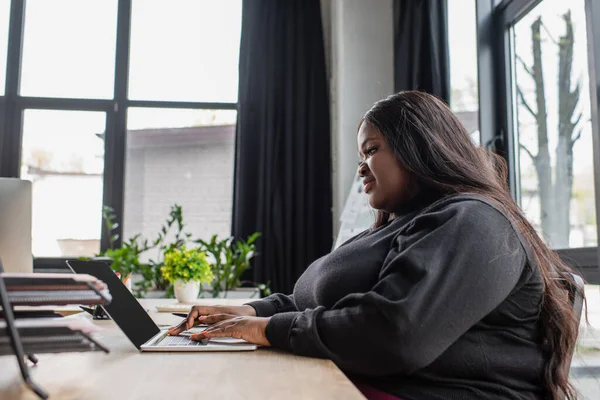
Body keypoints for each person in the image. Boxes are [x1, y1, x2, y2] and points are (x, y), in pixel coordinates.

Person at [168, 91, 581, 400]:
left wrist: (266, 329)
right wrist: (249, 312)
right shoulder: (400, 225)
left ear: (420, 145)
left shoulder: (473, 220)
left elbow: (395, 334)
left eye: (371, 149)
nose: (361, 166)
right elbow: (313, 298)